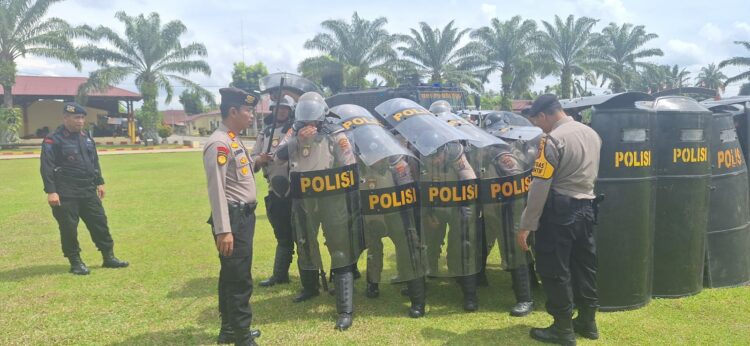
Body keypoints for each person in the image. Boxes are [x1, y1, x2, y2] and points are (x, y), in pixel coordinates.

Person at [517, 94, 602, 346]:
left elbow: (540, 185)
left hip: (559, 213)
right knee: (584, 267)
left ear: (544, 115)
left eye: (537, 121)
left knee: (555, 270)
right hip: (586, 208)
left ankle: (562, 329)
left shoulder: (552, 139)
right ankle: (588, 322)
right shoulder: (591, 134)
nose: (538, 127)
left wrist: (527, 224)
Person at [276, 92, 363, 331]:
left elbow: (349, 164)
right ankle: (310, 288)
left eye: (312, 119)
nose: (309, 124)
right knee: (304, 242)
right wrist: (298, 140)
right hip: (303, 199)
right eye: (305, 119)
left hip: (332, 199)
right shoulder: (293, 131)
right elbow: (279, 154)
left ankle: (345, 308)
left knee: (339, 246)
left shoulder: (335, 132)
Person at [40, 102, 129, 276]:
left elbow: (94, 161)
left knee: (100, 223)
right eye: (76, 117)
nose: (80, 121)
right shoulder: (53, 139)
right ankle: (75, 262)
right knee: (69, 228)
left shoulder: (86, 137)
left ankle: (108, 257)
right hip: (66, 193)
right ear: (65, 117)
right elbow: (46, 166)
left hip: (88, 190)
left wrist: (99, 181)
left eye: (82, 118)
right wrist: (51, 191)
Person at [203, 87, 261, 346]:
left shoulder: (233, 139)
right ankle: (242, 336)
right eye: (248, 110)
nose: (252, 116)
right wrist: (223, 229)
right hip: (233, 219)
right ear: (233, 111)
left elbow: (242, 176)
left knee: (230, 275)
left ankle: (229, 329)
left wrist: (261, 160)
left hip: (243, 216)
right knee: (239, 279)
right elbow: (217, 189)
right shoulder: (220, 143)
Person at [252, 95, 296, 287]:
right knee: (283, 236)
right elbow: (252, 159)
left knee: (303, 237)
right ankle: (280, 275)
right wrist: (260, 159)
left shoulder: (296, 130)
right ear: (273, 109)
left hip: (297, 191)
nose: (282, 111)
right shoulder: (265, 133)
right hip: (275, 191)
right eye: (279, 107)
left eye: (286, 108)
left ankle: (310, 280)